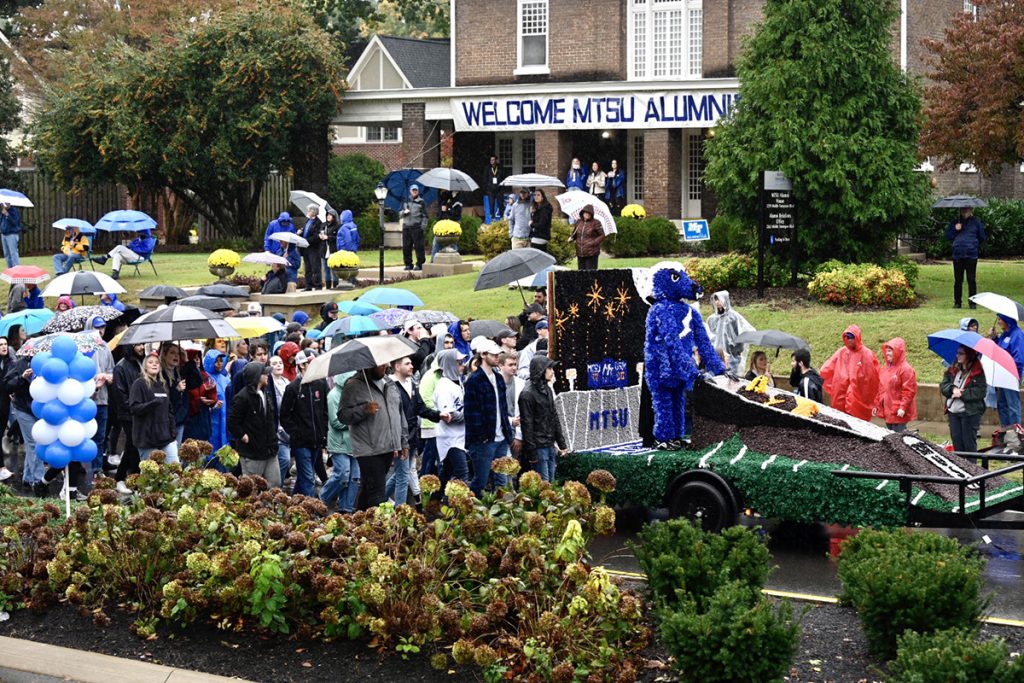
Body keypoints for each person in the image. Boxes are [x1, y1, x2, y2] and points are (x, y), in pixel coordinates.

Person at [339, 362, 409, 509]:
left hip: (389, 446)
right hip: (368, 449)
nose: (385, 367)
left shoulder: (389, 382)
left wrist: (403, 441)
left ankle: (359, 518)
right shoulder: (353, 385)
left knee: (369, 489)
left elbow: (399, 413)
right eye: (380, 365)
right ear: (369, 365)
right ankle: (377, 522)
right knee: (377, 493)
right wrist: (364, 409)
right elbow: (343, 416)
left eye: (385, 364)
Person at [386, 355, 441, 506]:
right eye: (407, 364)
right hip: (400, 436)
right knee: (403, 476)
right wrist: (397, 440)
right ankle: (401, 512)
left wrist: (438, 415)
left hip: (412, 435)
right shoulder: (390, 386)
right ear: (397, 367)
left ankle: (379, 499)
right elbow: (393, 416)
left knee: (401, 473)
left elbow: (420, 407)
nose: (412, 366)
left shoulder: (412, 384)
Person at [463, 338, 513, 496]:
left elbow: (503, 408)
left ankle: (501, 508)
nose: (497, 357)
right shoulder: (474, 380)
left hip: (501, 437)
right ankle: (468, 505)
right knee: (481, 480)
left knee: (501, 480)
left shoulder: (498, 378)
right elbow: (470, 413)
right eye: (494, 355)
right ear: (483, 355)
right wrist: (481, 437)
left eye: (498, 355)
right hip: (483, 440)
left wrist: (507, 433)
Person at [278, 350, 327, 496]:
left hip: (316, 440)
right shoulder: (293, 388)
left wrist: (323, 433)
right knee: (308, 478)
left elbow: (324, 411)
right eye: (310, 362)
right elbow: (284, 416)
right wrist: (296, 433)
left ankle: (295, 501)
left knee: (304, 477)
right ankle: (311, 507)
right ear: (302, 365)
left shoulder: (321, 384)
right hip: (301, 443)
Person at [227, 361, 280, 487]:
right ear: (256, 376)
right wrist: (243, 436)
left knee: (275, 483)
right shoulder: (242, 397)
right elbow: (232, 423)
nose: (267, 375)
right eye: (264, 373)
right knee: (251, 488)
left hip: (270, 450)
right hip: (252, 452)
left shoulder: (266, 393)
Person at [519, 356, 568, 482]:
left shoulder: (547, 389)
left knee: (551, 481)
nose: (552, 371)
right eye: (549, 368)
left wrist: (561, 443)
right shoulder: (527, 394)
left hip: (549, 444)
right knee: (544, 483)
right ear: (541, 370)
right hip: (538, 446)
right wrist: (532, 452)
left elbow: (554, 417)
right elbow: (527, 425)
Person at [820, 325, 880, 421]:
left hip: (857, 399)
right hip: (840, 396)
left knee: (857, 421)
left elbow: (872, 377)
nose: (849, 340)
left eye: (851, 337)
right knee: (841, 421)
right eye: (847, 337)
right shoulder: (842, 352)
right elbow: (828, 367)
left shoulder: (867, 354)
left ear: (857, 337)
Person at [129, 352, 179, 464]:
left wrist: (173, 432)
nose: (154, 364)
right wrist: (152, 404)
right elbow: (134, 408)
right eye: (150, 362)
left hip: (166, 438)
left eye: (157, 362)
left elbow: (169, 411)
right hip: (147, 439)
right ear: (145, 367)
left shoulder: (163, 385)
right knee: (151, 472)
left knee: (175, 469)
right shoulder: (139, 384)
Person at [320, 371, 360, 512]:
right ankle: (322, 499)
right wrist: (356, 420)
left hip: (354, 442)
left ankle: (346, 508)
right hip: (339, 442)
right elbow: (336, 422)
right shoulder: (333, 396)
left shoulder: (355, 394)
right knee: (342, 474)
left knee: (355, 478)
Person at [112, 343, 145, 494]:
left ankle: (126, 478)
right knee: (132, 444)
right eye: (138, 345)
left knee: (133, 445)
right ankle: (123, 478)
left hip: (140, 411)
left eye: (143, 344)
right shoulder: (121, 367)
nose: (142, 347)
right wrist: (134, 407)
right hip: (128, 413)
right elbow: (120, 394)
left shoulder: (141, 363)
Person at [432, 349, 467, 494]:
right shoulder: (444, 387)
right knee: (462, 474)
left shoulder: (458, 382)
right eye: (459, 362)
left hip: (459, 435)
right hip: (449, 438)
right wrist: (470, 415)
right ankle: (457, 503)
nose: (463, 365)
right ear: (450, 364)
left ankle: (434, 501)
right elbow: (449, 416)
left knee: (446, 473)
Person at [941, 345, 987, 453]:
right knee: (957, 444)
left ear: (969, 355)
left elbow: (981, 392)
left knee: (969, 445)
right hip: (953, 412)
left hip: (969, 414)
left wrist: (962, 393)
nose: (957, 355)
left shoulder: (978, 372)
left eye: (961, 353)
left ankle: (971, 464)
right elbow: (943, 385)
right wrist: (952, 389)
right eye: (957, 353)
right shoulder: (953, 369)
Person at [945, 206, 986, 309]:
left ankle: (972, 303)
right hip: (957, 254)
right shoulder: (955, 222)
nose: (965, 211)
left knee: (971, 279)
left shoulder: (976, 222)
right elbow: (948, 236)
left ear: (971, 210)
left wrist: (974, 244)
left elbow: (982, 237)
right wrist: (955, 229)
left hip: (971, 254)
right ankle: (957, 302)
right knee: (958, 280)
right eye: (963, 209)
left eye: (967, 209)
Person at [707, 290, 756, 375]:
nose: (717, 302)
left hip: (731, 356)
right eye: (716, 300)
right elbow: (711, 336)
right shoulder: (712, 319)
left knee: (731, 377)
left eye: (719, 299)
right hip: (717, 355)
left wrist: (736, 350)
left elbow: (740, 334)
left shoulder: (733, 317)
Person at [874, 337, 917, 432]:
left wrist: (902, 407)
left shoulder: (906, 369)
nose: (887, 353)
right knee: (893, 433)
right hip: (888, 410)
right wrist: (877, 405)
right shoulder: (885, 368)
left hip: (898, 411)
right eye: (887, 351)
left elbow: (909, 391)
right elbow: (881, 389)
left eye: (890, 351)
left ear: (898, 351)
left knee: (897, 435)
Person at [993, 314, 1024, 428]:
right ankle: (1006, 429)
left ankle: (1016, 432)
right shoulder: (1005, 334)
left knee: (1012, 405)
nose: (998, 322)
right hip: (1002, 374)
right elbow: (999, 351)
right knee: (1002, 403)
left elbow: (1019, 358)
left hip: (1011, 374)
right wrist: (995, 338)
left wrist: (1014, 374)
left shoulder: (1017, 335)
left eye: (1000, 319)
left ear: (1007, 320)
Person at [498, 351, 525, 468]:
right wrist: (510, 421)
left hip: (515, 432)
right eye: (510, 365)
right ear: (500, 365)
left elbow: (523, 412)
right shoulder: (493, 383)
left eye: (515, 364)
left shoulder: (521, 384)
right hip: (499, 432)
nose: (514, 368)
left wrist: (519, 436)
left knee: (513, 466)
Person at [268, 355, 291, 485]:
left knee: (285, 460)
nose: (278, 365)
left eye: (280, 363)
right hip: (274, 428)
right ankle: (275, 486)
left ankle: (278, 485)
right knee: (283, 459)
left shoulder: (287, 382)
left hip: (286, 428)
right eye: (275, 363)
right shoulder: (269, 383)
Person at [203, 349, 229, 451]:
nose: (219, 364)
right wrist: (213, 407)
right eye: (216, 361)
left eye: (221, 361)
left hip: (225, 419)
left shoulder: (225, 379)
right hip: (211, 420)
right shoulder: (204, 379)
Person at [401, 184, 428, 271]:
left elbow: (425, 216)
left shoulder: (421, 202)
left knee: (419, 247)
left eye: (416, 190)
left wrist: (422, 227)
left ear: (418, 191)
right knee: (406, 247)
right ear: (410, 191)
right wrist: (404, 212)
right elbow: (400, 214)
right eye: (413, 190)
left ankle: (420, 264)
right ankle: (408, 264)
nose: (414, 192)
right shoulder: (405, 201)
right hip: (406, 227)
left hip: (417, 227)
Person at [301, 205, 326, 291]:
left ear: (314, 212)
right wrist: (300, 232)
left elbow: (317, 236)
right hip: (306, 248)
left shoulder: (318, 223)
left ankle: (318, 285)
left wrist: (306, 241)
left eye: (309, 210)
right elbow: (305, 231)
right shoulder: (308, 221)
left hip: (314, 248)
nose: (307, 212)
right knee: (307, 268)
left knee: (315, 267)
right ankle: (308, 285)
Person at [571, 205, 604, 270]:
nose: (587, 214)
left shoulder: (596, 222)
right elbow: (575, 233)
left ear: (592, 214)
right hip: (580, 252)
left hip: (592, 253)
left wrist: (593, 242)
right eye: (585, 212)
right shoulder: (578, 222)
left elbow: (602, 235)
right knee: (581, 273)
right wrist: (571, 238)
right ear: (582, 213)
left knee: (590, 273)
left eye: (589, 213)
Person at [0, 337, 12, 482]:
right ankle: (2, 468)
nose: (4, 347)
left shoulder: (9, 362)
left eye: (5, 344)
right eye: (0, 345)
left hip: (5, 405)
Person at [322, 209, 341, 289]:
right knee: (326, 269)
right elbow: (319, 232)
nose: (328, 216)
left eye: (330, 215)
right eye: (327, 215)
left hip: (333, 250)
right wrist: (320, 236)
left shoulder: (337, 226)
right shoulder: (324, 225)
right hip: (324, 249)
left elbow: (338, 238)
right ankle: (328, 286)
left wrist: (328, 237)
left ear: (334, 216)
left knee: (334, 269)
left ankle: (335, 285)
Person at [483, 154, 504, 220]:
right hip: (490, 189)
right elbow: (485, 178)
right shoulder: (487, 168)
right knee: (491, 204)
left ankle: (502, 217)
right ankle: (492, 217)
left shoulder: (500, 168)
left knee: (500, 203)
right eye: (491, 160)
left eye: (493, 160)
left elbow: (503, 177)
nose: (491, 161)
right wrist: (488, 186)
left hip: (499, 189)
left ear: (496, 160)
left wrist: (501, 185)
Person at [0, 202, 21, 267]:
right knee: (6, 254)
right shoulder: (3, 211)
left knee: (13, 253)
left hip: (12, 234)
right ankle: (10, 269)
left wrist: (7, 214)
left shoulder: (14, 211)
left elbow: (14, 222)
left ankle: (16, 269)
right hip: (4, 234)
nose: (3, 205)